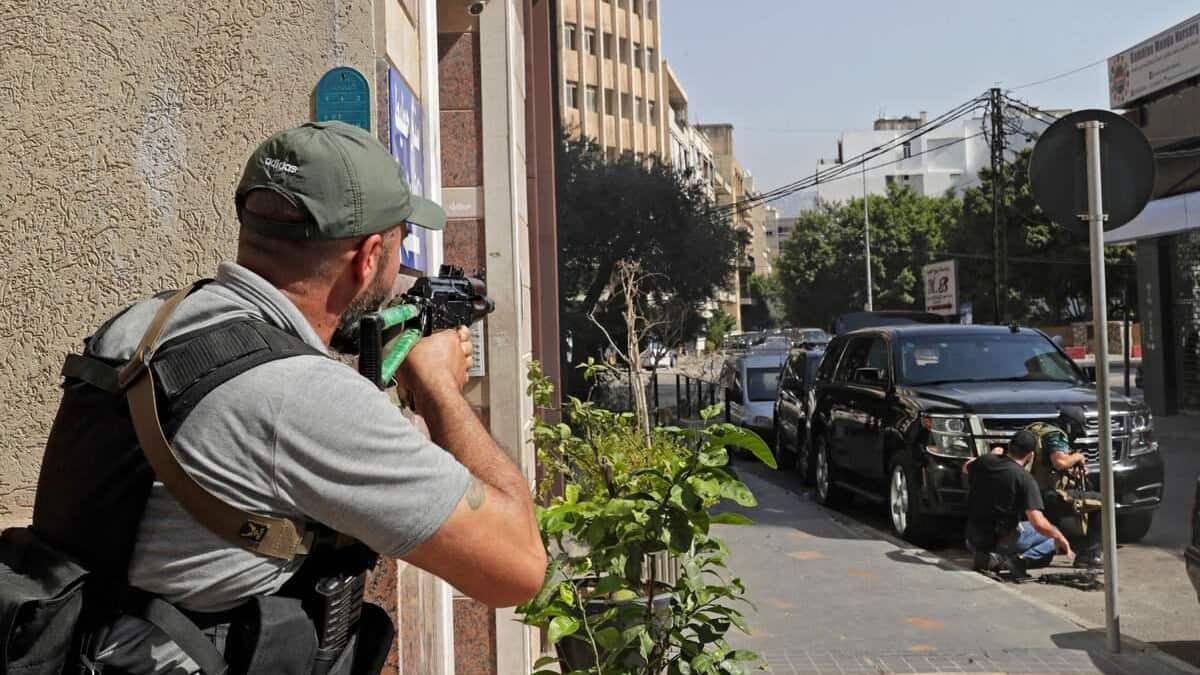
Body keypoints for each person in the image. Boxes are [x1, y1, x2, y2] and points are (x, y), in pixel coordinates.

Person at [30, 121, 546, 673]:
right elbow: (516, 569)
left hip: (79, 642)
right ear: (368, 257)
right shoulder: (303, 399)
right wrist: (440, 385)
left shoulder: (146, 325)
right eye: (400, 246)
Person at [964, 430, 1072, 580]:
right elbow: (1038, 523)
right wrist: (1059, 537)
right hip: (1000, 541)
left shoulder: (984, 462)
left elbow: (966, 466)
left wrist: (993, 454)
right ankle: (1010, 561)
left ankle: (986, 556)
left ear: (1009, 445)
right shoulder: (1025, 479)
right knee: (1052, 535)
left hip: (972, 539)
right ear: (1031, 454)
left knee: (1024, 526)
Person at [1027, 421, 1104, 569]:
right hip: (1046, 495)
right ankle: (1089, 556)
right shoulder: (1055, 435)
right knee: (1102, 502)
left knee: (1071, 502)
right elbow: (1060, 462)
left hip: (1030, 494)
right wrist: (1077, 457)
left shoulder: (1035, 431)